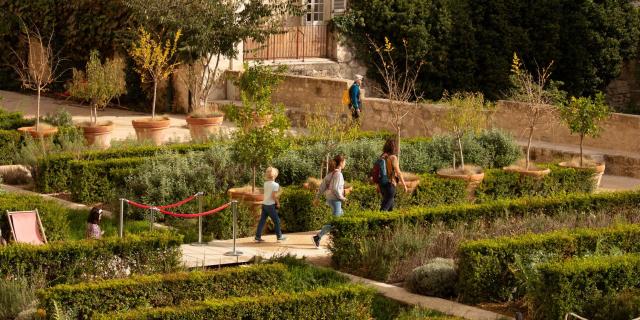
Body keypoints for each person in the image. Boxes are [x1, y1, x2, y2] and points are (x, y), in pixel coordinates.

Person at [313, 154, 347, 248]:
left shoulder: (330, 174)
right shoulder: (338, 174)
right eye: (344, 162)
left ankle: (341, 239)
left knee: (342, 218)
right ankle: (318, 236)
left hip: (330, 198)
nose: (345, 163)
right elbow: (336, 189)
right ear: (341, 163)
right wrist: (342, 197)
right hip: (335, 200)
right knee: (334, 222)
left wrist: (317, 198)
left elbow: (322, 187)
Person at [255, 167, 286, 242]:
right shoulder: (275, 185)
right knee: (277, 221)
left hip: (264, 204)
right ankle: (279, 237)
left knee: (262, 221)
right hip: (270, 206)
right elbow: (273, 196)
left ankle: (257, 237)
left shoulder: (265, 183)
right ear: (275, 175)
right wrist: (278, 203)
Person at [377, 138, 408, 211]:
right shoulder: (393, 158)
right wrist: (404, 185)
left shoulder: (382, 157)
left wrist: (378, 185)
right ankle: (377, 220)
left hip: (382, 185)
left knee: (390, 208)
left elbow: (378, 172)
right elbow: (398, 172)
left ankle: (388, 222)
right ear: (393, 147)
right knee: (384, 209)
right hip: (390, 184)